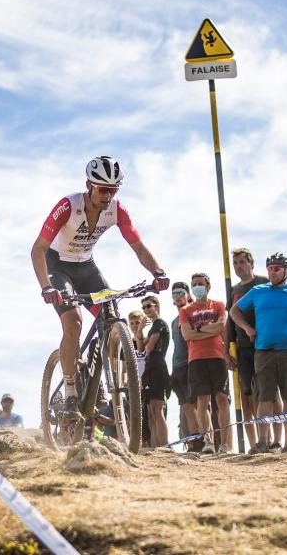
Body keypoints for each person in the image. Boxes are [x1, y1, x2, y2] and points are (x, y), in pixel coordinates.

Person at [31, 156, 169, 421]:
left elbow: (138, 246)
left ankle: (105, 386)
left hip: (87, 267)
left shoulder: (117, 210)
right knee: (73, 322)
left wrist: (157, 272)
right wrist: (46, 287)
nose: (108, 195)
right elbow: (38, 249)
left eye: (113, 190)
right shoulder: (68, 206)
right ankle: (71, 391)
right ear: (89, 185)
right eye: (103, 189)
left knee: (113, 321)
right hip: (57, 267)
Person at [230, 253, 287, 453]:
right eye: (269, 268)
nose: (272, 272)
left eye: (276, 268)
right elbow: (234, 312)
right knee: (264, 397)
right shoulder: (258, 291)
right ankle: (262, 442)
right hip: (263, 351)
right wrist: (248, 329)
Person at [179, 273, 231, 454]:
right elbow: (187, 335)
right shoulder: (185, 310)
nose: (197, 287)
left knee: (222, 400)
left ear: (208, 286)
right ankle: (208, 441)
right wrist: (210, 330)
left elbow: (221, 326)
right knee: (202, 401)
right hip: (196, 359)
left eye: (200, 284)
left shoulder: (218, 305)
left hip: (217, 357)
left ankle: (224, 444)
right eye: (194, 284)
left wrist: (198, 329)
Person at [227, 247, 269, 449]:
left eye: (242, 262)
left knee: (267, 392)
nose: (238, 266)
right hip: (242, 347)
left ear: (251, 263)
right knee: (247, 395)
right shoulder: (234, 290)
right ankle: (255, 443)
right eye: (235, 263)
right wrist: (227, 349)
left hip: (265, 345)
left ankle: (269, 439)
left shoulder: (263, 283)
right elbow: (230, 321)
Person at [169, 282, 198, 442]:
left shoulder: (194, 314)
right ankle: (194, 441)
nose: (178, 296)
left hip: (192, 363)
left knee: (196, 405)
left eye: (181, 293)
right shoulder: (174, 321)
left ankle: (204, 439)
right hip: (177, 367)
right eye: (174, 294)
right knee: (186, 406)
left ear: (188, 295)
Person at [140, 295, 170, 447]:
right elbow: (140, 346)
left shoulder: (159, 323)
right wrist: (139, 330)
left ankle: (164, 445)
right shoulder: (152, 326)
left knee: (157, 410)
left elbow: (148, 347)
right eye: (143, 307)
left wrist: (144, 345)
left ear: (156, 306)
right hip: (149, 369)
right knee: (150, 411)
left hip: (158, 367)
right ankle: (155, 446)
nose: (146, 309)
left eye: (148, 306)